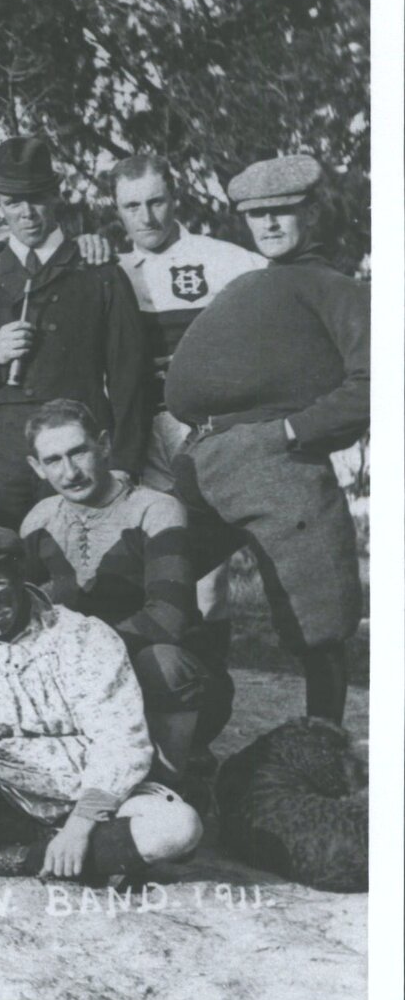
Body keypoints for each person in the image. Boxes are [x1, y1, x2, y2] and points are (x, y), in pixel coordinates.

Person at [164, 154, 368, 723]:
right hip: (201, 461)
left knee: (315, 619)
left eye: (284, 212)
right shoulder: (253, 281)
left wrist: (293, 431)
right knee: (158, 585)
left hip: (277, 466)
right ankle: (191, 730)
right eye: (257, 216)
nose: (270, 225)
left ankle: (322, 753)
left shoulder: (338, 289)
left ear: (314, 214)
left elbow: (375, 382)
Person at [0, 526, 203, 883]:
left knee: (180, 828)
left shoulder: (82, 635)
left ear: (19, 578)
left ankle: (1, 858)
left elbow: (121, 738)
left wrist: (80, 827)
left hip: (85, 787)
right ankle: (54, 855)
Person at [0, 136, 149, 530]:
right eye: (12, 203)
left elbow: (132, 378)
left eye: (36, 199)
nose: (26, 213)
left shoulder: (99, 274)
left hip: (77, 456)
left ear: (55, 196)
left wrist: (125, 465)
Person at [107, 153, 268, 658]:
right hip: (138, 432)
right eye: (132, 206)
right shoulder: (111, 270)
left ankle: (212, 697)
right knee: (160, 562)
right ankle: (172, 697)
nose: (147, 217)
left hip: (204, 429)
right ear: (117, 210)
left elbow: (271, 332)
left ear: (174, 198)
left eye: (156, 201)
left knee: (208, 577)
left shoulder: (228, 260)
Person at [19, 399, 232, 776]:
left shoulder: (154, 509)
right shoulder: (39, 520)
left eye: (78, 452)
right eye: (53, 461)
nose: (70, 473)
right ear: (37, 467)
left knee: (162, 663)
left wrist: (77, 656)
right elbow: (21, 606)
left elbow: (169, 618)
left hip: (160, 676)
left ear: (103, 445)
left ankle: (173, 778)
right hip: (78, 681)